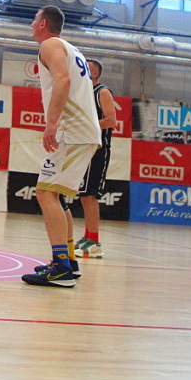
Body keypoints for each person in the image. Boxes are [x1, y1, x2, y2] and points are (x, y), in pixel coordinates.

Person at [21, 6, 100, 288]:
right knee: (56, 196)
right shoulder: (70, 48)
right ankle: (68, 262)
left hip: (72, 131)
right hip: (81, 131)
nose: (31, 24)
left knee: (45, 193)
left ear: (43, 23)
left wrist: (51, 123)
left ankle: (61, 268)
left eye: (34, 20)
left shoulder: (50, 45)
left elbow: (63, 80)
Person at [74, 59, 115, 259]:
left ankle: (95, 241)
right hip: (85, 147)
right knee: (84, 194)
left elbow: (111, 120)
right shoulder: (83, 93)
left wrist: (86, 126)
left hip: (99, 148)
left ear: (96, 73)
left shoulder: (102, 92)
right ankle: (88, 236)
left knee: (91, 195)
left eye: (87, 68)